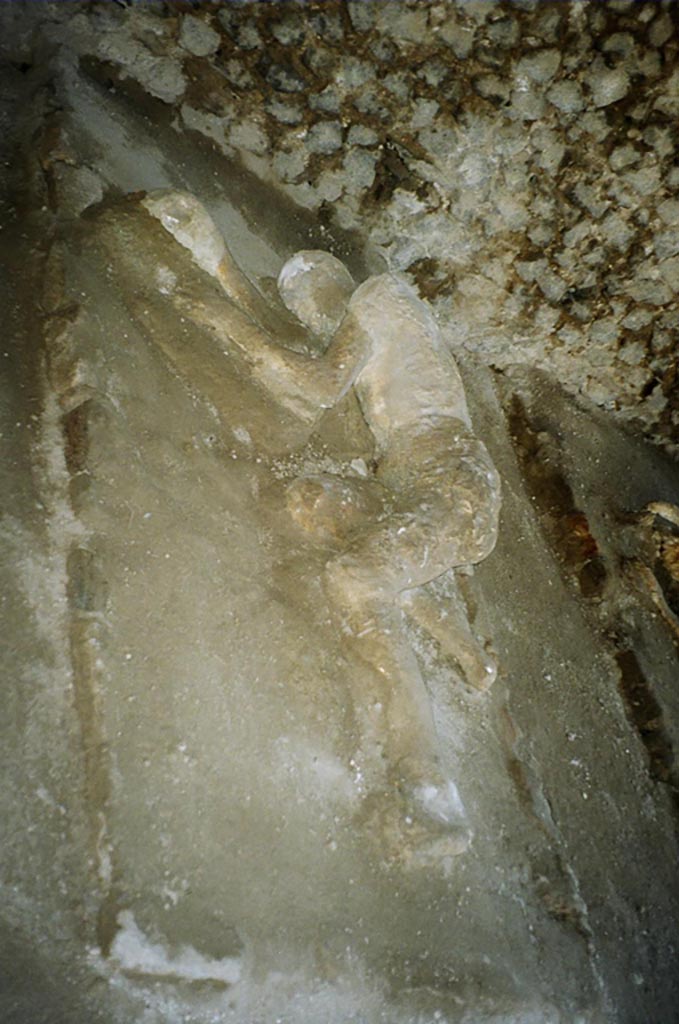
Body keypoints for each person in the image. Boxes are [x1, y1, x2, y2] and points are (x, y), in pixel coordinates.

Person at [106, 190, 502, 859]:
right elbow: (300, 354)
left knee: (354, 579)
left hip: (452, 486)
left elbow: (315, 379)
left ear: (329, 291)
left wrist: (212, 313)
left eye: (311, 308)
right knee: (312, 506)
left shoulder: (375, 300)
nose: (313, 324)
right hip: (416, 482)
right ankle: (466, 654)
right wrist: (210, 253)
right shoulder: (368, 324)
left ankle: (428, 785)